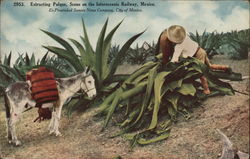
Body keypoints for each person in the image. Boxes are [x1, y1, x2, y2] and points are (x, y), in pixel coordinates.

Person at [156, 25, 230, 94]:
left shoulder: (178, 47)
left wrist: (168, 66)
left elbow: (174, 59)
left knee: (200, 72)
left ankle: (206, 89)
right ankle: (225, 67)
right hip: (201, 51)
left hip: (197, 56)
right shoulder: (186, 37)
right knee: (209, 66)